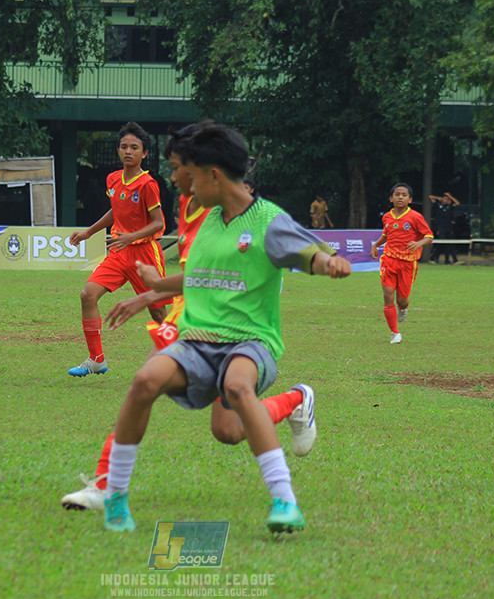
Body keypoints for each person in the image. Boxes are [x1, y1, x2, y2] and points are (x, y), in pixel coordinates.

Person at [95, 124, 351, 534]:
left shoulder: (268, 219)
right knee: (146, 381)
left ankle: (285, 500)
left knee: (236, 385)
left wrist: (328, 263)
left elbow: (309, 252)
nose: (186, 186)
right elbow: (202, 276)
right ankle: (116, 497)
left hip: (251, 341)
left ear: (213, 175)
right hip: (198, 339)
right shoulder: (209, 221)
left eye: (190, 175)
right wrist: (154, 288)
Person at [65, 122, 171, 377]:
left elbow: (159, 223)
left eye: (135, 147)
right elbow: (116, 211)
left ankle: (182, 361)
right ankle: (96, 359)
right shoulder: (113, 179)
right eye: (124, 146)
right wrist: (88, 232)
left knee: (159, 313)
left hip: (144, 254)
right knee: (87, 295)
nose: (128, 151)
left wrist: (131, 237)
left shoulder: (147, 185)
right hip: (119, 253)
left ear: (144, 153)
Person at [370, 183, 433, 344]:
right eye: (397, 194)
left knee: (402, 299)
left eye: (404, 195)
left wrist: (418, 244)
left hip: (408, 263)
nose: (400, 197)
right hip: (389, 260)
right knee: (387, 293)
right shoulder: (387, 217)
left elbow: (428, 236)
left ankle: (403, 308)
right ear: (391, 198)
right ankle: (394, 333)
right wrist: (376, 245)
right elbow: (386, 235)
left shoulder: (415, 217)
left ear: (410, 199)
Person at [427, 192, 460, 264]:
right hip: (440, 228)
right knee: (440, 243)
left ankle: (451, 260)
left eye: (447, 199)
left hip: (448, 228)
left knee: (450, 244)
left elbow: (457, 203)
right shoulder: (438, 206)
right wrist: (440, 198)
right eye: (444, 199)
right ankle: (434, 258)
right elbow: (430, 197)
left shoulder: (449, 207)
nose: (445, 200)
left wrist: (450, 196)